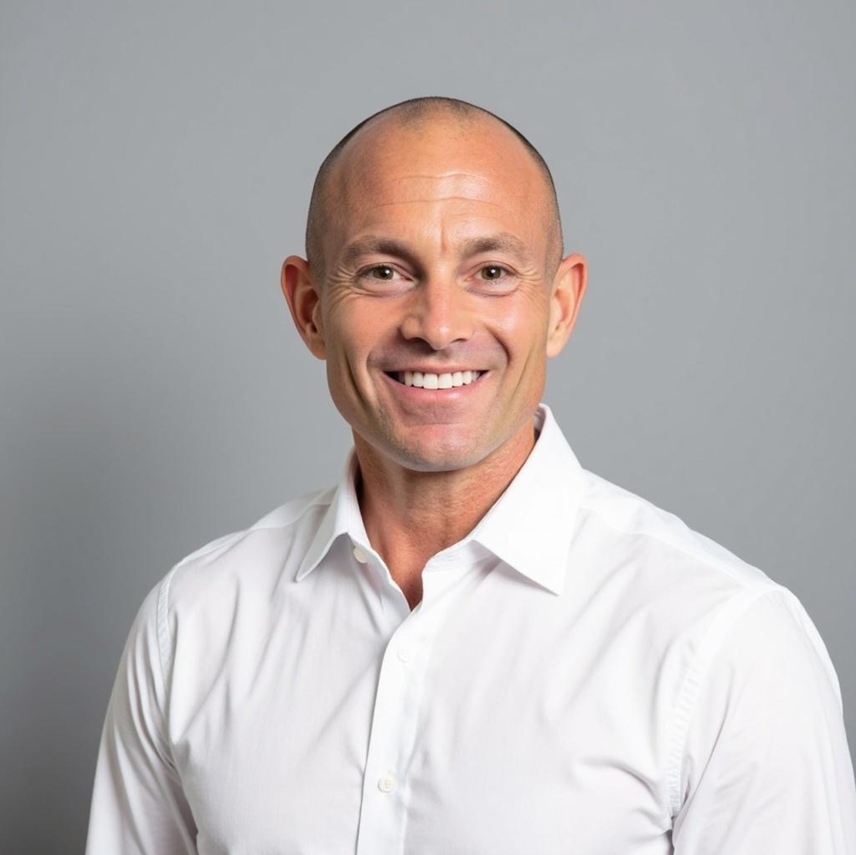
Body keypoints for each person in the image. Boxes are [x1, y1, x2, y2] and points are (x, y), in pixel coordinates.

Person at [84, 96, 856, 854]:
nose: (439, 325)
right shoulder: (192, 622)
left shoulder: (726, 642)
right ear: (310, 308)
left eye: (490, 270)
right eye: (385, 271)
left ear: (560, 305)